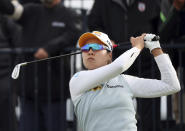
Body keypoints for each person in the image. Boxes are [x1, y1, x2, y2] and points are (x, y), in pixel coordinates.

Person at [69, 31, 181, 131]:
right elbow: (120, 66)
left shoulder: (124, 81)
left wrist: (155, 48)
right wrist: (138, 47)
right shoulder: (77, 80)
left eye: (96, 46)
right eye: (85, 48)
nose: (90, 51)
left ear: (109, 55)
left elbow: (172, 85)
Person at [0, 0, 81, 131]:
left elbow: (73, 34)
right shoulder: (31, 10)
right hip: (28, 93)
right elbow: (10, 9)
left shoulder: (69, 14)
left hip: (54, 93)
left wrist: (49, 49)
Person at [87, 0, 162, 130]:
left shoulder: (153, 2)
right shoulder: (101, 3)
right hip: (115, 66)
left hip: (146, 65)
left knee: (150, 118)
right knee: (113, 115)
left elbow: (161, 27)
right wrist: (103, 39)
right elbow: (93, 23)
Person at [159, 0, 185, 124]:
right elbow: (162, 34)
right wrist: (175, 9)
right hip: (173, 59)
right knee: (176, 91)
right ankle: (178, 119)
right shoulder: (165, 4)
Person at [0, 13, 20, 131]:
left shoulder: (5, 22)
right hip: (6, 75)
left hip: (5, 76)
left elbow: (18, 49)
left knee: (7, 118)